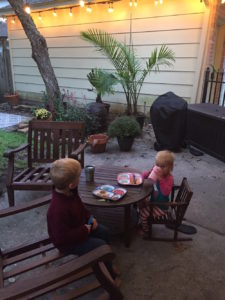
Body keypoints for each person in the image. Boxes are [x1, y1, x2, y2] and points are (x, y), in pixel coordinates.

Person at [47, 158, 120, 283]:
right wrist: (85, 229)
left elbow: (81, 208)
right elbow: (62, 238)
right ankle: (109, 275)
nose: (79, 180)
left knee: (105, 232)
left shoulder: (70, 192)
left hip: (81, 228)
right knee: (100, 246)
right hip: (69, 243)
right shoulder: (57, 210)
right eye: (78, 178)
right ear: (70, 184)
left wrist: (91, 219)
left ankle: (106, 261)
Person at [138, 150, 174, 237]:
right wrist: (149, 172)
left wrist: (161, 179)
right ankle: (143, 222)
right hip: (153, 200)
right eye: (157, 165)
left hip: (161, 206)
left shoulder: (169, 178)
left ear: (170, 167)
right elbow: (144, 176)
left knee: (142, 213)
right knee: (139, 203)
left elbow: (165, 193)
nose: (159, 168)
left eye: (163, 166)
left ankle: (146, 230)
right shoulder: (156, 172)